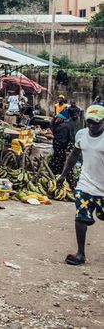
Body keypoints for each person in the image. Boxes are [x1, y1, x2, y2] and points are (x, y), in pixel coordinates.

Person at [57, 105, 104, 266]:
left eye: (96, 123)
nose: (92, 125)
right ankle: (80, 253)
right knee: (80, 218)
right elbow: (74, 155)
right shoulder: (81, 135)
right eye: (89, 122)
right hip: (86, 184)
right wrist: (63, 175)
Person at [50, 111, 75, 188]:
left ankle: (63, 185)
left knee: (60, 167)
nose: (56, 118)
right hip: (63, 150)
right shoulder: (67, 124)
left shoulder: (63, 127)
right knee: (65, 167)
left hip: (62, 150)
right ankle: (69, 185)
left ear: (62, 118)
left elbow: (60, 140)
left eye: (58, 117)